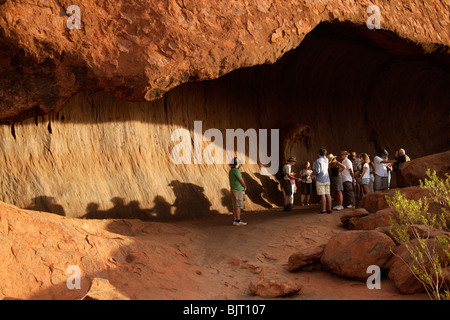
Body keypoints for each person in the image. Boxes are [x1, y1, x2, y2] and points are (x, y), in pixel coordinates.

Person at [229, 157, 247, 226]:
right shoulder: (236, 171)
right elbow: (241, 180)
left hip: (233, 189)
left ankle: (235, 220)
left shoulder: (231, 171)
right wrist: (245, 186)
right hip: (238, 189)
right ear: (237, 163)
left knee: (234, 206)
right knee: (238, 206)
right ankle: (238, 220)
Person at [313, 148, 332, 214]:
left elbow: (318, 171)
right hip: (327, 178)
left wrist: (313, 173)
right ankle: (329, 209)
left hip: (320, 179)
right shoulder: (327, 159)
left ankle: (323, 210)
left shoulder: (318, 160)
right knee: (328, 194)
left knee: (322, 195)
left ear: (319, 153)